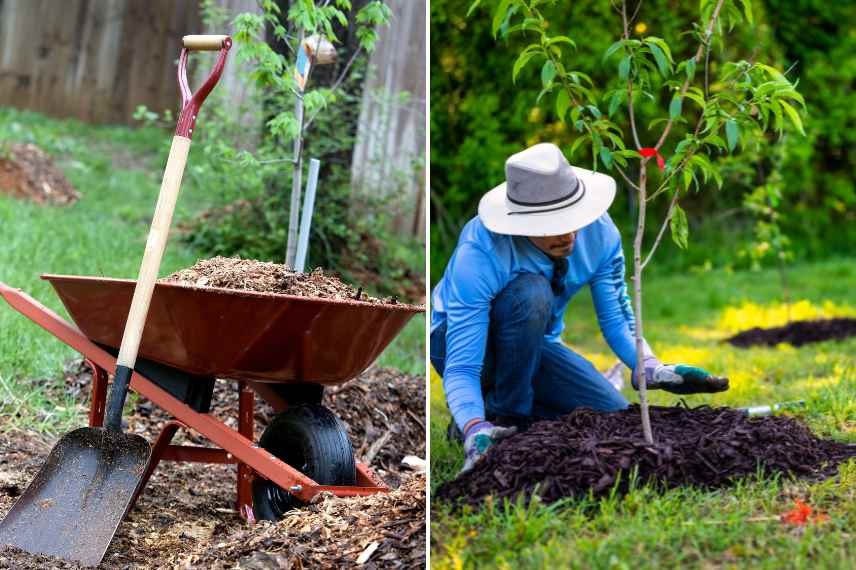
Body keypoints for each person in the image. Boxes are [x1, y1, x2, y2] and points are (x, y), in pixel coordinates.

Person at [431, 143, 728, 473]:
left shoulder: (600, 234)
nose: (568, 233)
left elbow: (617, 317)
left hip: (535, 345)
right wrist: (475, 427)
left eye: (572, 218)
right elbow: (463, 366)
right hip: (462, 345)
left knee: (610, 413)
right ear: (521, 222)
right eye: (550, 224)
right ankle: (499, 418)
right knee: (532, 292)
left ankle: (499, 412)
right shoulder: (483, 250)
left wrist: (650, 366)